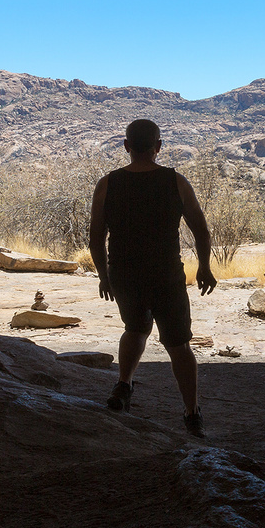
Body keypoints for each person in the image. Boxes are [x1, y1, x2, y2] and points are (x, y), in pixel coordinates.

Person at [88, 118, 217, 436]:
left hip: (125, 274)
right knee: (179, 346)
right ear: (159, 147)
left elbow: (95, 237)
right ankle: (192, 413)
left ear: (127, 146)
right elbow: (200, 229)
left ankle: (123, 386)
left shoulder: (108, 184)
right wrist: (204, 267)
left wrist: (104, 275)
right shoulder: (176, 182)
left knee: (134, 329)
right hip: (166, 276)